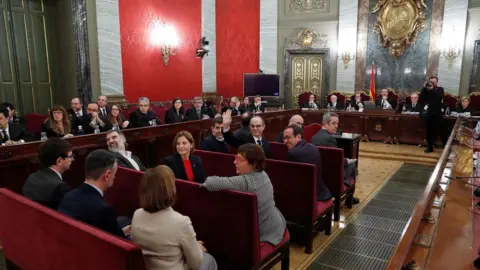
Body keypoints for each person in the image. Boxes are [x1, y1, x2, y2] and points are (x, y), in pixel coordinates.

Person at [131, 165, 218, 270]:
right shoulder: (181, 222)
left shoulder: (137, 214)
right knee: (209, 259)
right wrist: (197, 248)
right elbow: (195, 264)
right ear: (170, 190)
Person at [201, 144, 286, 245]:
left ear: (253, 163)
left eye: (240, 160)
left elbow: (210, 183)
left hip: (264, 233)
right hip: (276, 223)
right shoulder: (263, 174)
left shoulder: (246, 181)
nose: (234, 162)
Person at [58, 149, 130, 239]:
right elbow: (119, 244)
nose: (114, 177)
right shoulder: (103, 210)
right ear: (107, 175)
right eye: (114, 173)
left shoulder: (68, 197)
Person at [311, 112, 360, 204]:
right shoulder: (330, 139)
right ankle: (349, 199)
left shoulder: (314, 137)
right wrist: (347, 161)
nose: (337, 126)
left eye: (337, 123)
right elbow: (336, 161)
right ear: (325, 123)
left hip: (319, 173)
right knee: (352, 165)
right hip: (332, 176)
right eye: (334, 123)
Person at [283, 124, 331, 201]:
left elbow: (289, 178)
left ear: (298, 137)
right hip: (321, 192)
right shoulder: (313, 147)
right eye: (284, 138)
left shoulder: (293, 153)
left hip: (307, 197)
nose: (285, 141)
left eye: (288, 138)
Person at [22, 138, 73, 209]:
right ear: (59, 161)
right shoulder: (60, 188)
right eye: (70, 156)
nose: (72, 159)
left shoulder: (32, 178)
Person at [419, 79, 447, 153]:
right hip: (429, 113)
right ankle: (430, 147)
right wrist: (424, 87)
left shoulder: (440, 89)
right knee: (429, 131)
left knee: (441, 130)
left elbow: (439, 97)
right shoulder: (426, 90)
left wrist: (432, 89)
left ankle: (445, 145)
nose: (432, 83)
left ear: (437, 82)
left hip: (437, 113)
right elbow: (421, 97)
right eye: (431, 81)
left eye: (434, 81)